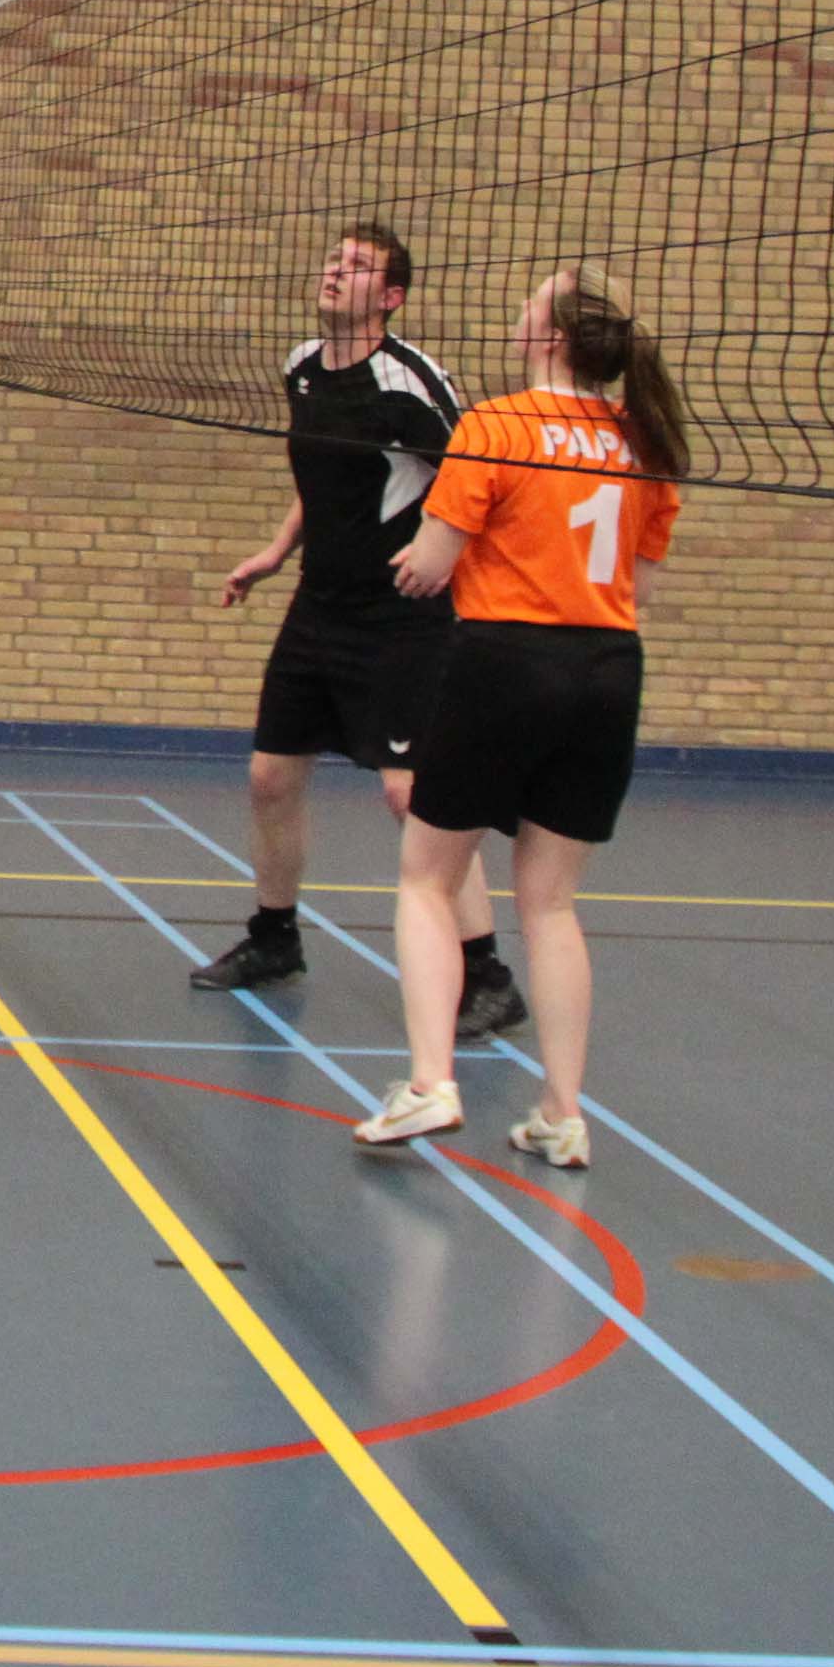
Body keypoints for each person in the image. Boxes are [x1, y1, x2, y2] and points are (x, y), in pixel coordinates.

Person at [352, 271, 686, 1169]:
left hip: (503, 660)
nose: (518, 314)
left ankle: (431, 1084)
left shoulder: (497, 425)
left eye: (531, 305)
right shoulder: (645, 440)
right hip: (607, 672)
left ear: (553, 337)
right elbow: (640, 587)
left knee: (427, 879)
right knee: (553, 904)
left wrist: (416, 565)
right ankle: (562, 1114)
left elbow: (431, 562)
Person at [199, 226, 521, 1037]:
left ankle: (488, 973)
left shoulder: (407, 384)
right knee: (272, 776)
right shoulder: (303, 368)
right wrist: (277, 551)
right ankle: (275, 938)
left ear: (391, 296)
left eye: (357, 267)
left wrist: (441, 549)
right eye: (334, 260)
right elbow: (325, 478)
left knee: (412, 794)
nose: (336, 272)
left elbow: (474, 475)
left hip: (402, 615)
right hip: (320, 604)